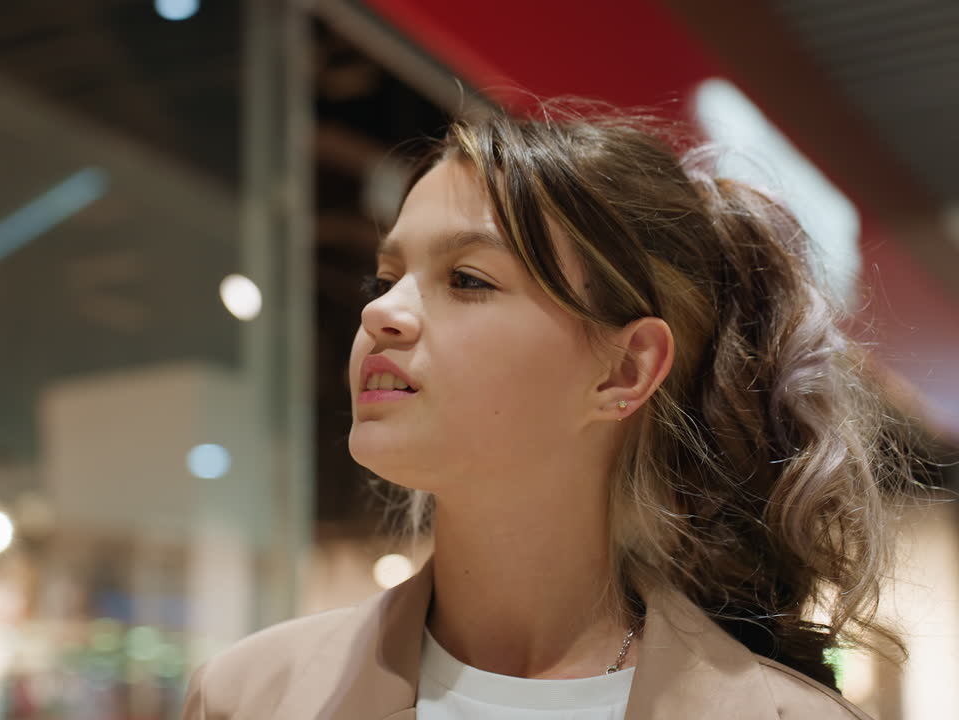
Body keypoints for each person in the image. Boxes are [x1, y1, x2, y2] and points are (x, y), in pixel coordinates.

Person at [181, 105, 924, 719]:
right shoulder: (250, 697)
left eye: (467, 279)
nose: (383, 312)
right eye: (386, 276)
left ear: (624, 371)